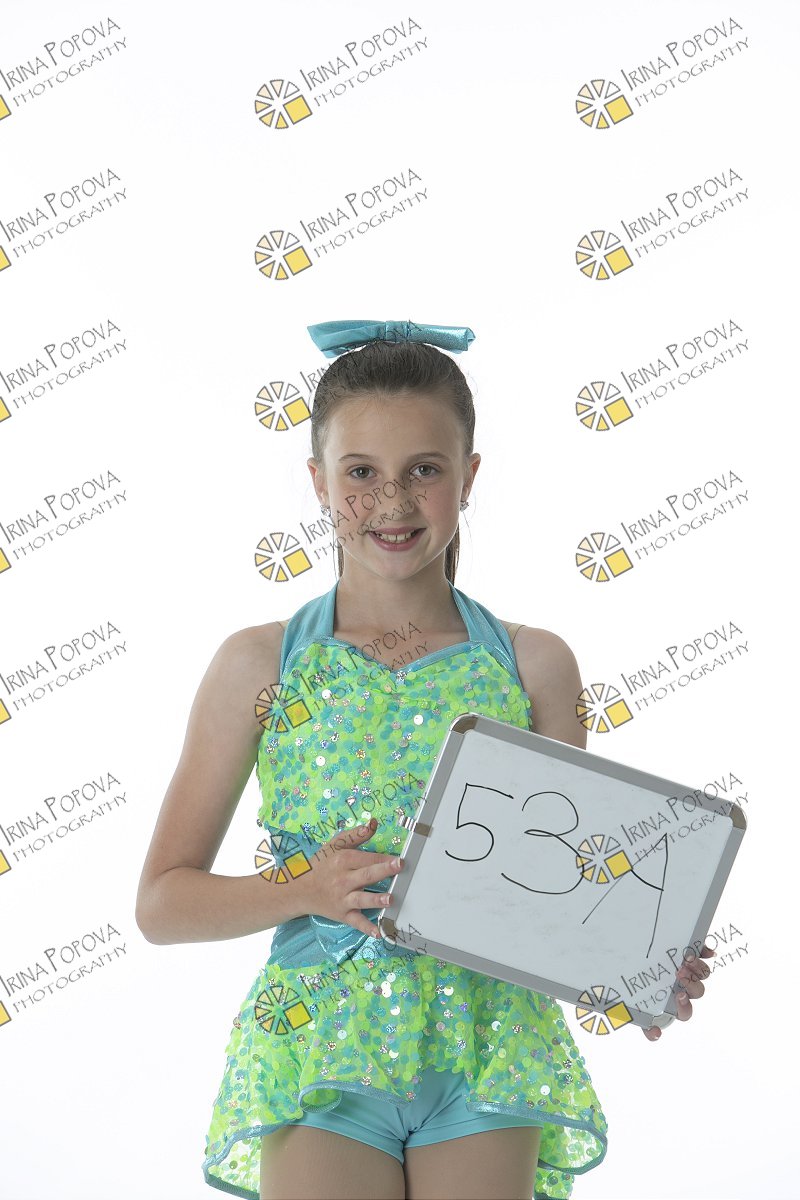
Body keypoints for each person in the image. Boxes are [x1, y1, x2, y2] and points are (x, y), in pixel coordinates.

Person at [135, 319, 714, 1200]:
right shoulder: (261, 666)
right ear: (318, 482)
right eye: (361, 472)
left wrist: (637, 958)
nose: (393, 500)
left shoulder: (532, 665)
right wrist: (304, 890)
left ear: (469, 477)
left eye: (425, 470)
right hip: (319, 1039)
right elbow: (162, 903)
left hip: (487, 1042)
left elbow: (559, 889)